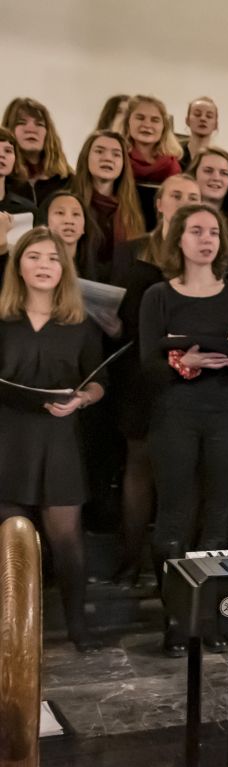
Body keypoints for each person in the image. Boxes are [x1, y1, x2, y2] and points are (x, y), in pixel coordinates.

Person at [139, 203, 228, 654]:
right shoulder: (158, 296)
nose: (206, 239)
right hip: (175, 411)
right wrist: (182, 363)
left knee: (218, 516)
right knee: (175, 515)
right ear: (179, 240)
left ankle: (209, 617)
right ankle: (176, 619)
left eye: (213, 232)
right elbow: (146, 365)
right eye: (196, 231)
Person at [0, 227, 108, 652]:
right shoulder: (3, 320)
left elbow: (100, 381)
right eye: (34, 257)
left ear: (64, 268)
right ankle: (12, 632)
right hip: (8, 436)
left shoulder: (79, 323)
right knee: (11, 541)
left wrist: (82, 399)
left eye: (52, 258)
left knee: (66, 539)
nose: (44, 265)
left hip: (59, 436)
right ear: (19, 266)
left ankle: (78, 626)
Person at [109, 174, 202, 586]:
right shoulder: (131, 252)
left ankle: (176, 570)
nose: (185, 202)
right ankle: (131, 561)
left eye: (193, 198)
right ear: (160, 203)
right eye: (177, 195)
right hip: (140, 372)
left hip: (190, 379)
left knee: (185, 475)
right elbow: (116, 316)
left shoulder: (203, 257)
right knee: (139, 466)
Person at [71, 130, 146, 265]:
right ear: (86, 157)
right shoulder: (68, 203)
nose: (108, 158)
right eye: (99, 151)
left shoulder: (133, 210)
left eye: (116, 154)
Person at [3, 97, 73, 205]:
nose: (31, 129)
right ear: (9, 130)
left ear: (48, 133)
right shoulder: (3, 179)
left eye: (39, 124)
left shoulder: (67, 181)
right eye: (21, 122)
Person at [36, 190, 102, 282]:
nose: (69, 221)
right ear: (44, 221)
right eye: (60, 213)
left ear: (84, 227)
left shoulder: (99, 272)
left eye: (76, 214)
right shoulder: (36, 268)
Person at [188, 146, 228, 239]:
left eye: (224, 173)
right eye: (208, 171)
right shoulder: (179, 218)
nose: (216, 178)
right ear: (194, 175)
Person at [123, 95, 183, 183]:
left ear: (164, 127)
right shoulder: (118, 158)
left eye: (155, 120)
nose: (147, 125)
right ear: (128, 122)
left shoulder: (171, 166)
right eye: (140, 118)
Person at [180, 96, 219, 167]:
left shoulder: (220, 159)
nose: (203, 119)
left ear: (216, 125)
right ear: (187, 120)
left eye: (209, 116)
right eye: (197, 114)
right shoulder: (175, 154)